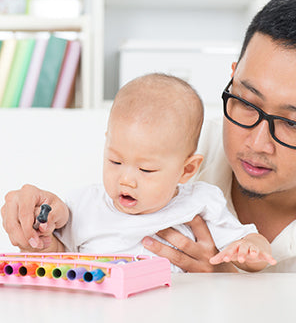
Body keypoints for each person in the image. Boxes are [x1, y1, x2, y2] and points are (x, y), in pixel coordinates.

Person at [2, 0, 296, 289]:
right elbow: (76, 232)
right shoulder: (166, 142)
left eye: (293, 124)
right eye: (246, 102)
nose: (257, 143)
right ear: (233, 77)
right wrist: (38, 216)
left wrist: (228, 285)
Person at [1, 73, 275, 273]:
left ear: (186, 169)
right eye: (115, 161)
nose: (126, 179)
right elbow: (62, 258)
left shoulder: (200, 202)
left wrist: (251, 249)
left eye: (146, 169)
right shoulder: (83, 205)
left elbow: (248, 249)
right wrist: (43, 242)